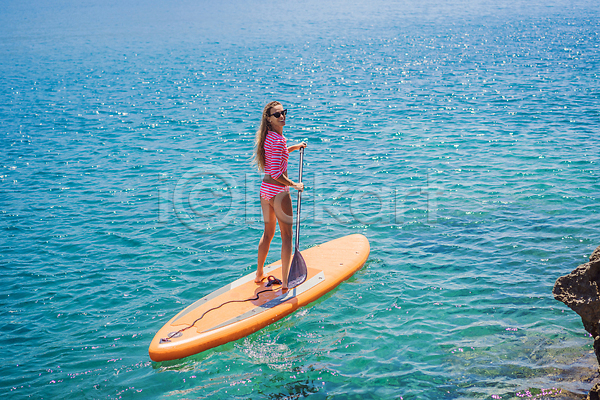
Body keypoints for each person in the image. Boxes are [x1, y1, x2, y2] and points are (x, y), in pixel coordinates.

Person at [253, 101, 307, 291]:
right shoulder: (278, 140)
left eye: (283, 112)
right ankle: (285, 283)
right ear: (269, 119)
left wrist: (295, 146)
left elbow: (279, 156)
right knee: (287, 236)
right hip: (278, 192)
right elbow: (277, 174)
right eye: (277, 115)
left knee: (268, 234)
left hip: (265, 191)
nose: (282, 116)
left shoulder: (268, 138)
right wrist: (294, 185)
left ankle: (259, 273)